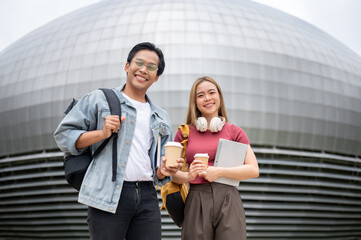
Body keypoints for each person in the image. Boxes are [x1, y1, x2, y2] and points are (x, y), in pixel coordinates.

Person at [54, 42, 182, 240]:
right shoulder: (99, 99)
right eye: (139, 63)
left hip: (148, 196)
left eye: (151, 67)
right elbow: (64, 136)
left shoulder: (161, 116)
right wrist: (102, 133)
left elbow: (159, 165)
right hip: (109, 194)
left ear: (156, 77)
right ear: (127, 66)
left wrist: (164, 170)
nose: (143, 70)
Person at [171, 76, 259, 240]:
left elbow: (253, 170)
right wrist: (188, 176)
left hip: (228, 198)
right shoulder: (184, 133)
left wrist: (218, 172)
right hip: (196, 199)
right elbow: (173, 174)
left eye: (212, 92)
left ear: (219, 96)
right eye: (201, 95)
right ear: (195, 101)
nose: (207, 98)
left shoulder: (235, 132)